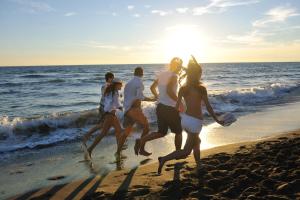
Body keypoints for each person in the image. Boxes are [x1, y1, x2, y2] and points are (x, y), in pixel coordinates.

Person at [157, 57, 224, 174]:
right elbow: (208, 107)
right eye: (200, 73)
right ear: (197, 74)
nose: (201, 75)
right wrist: (217, 119)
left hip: (185, 120)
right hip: (195, 122)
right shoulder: (201, 88)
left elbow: (177, 106)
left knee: (196, 141)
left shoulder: (183, 88)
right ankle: (163, 159)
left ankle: (199, 165)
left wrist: (182, 116)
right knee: (186, 151)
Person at [135, 57, 184, 156]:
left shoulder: (162, 75)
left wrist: (158, 97)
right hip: (170, 108)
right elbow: (169, 91)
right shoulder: (174, 76)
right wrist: (180, 101)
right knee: (178, 131)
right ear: (177, 66)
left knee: (161, 132)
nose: (180, 68)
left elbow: (152, 87)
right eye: (180, 66)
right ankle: (178, 153)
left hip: (160, 107)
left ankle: (141, 140)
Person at [116, 67, 155, 155]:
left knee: (126, 132)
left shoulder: (128, 83)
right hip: (134, 109)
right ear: (142, 73)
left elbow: (128, 97)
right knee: (146, 127)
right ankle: (140, 147)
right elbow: (140, 97)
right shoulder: (139, 82)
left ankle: (118, 152)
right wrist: (152, 99)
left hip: (127, 110)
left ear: (134, 73)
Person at [85, 78, 124, 158]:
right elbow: (117, 104)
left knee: (113, 132)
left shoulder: (109, 91)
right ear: (116, 84)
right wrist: (122, 107)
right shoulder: (115, 92)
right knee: (110, 133)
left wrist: (117, 107)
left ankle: (118, 152)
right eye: (120, 84)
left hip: (109, 114)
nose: (122, 86)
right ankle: (118, 153)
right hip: (110, 115)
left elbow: (109, 104)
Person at [82, 72, 114, 145]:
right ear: (109, 78)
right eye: (112, 78)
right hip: (103, 108)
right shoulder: (105, 86)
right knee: (102, 125)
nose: (113, 79)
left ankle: (87, 136)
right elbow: (106, 95)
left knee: (104, 125)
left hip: (106, 107)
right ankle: (87, 135)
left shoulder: (109, 86)